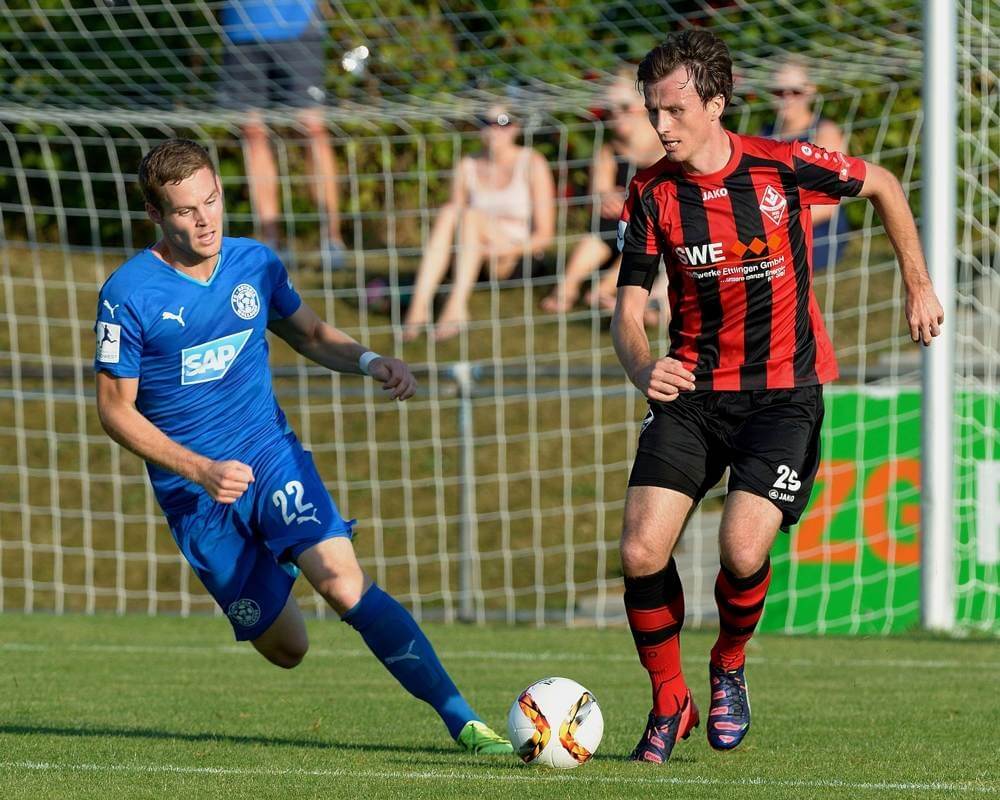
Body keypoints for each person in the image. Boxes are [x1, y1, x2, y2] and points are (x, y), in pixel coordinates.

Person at [93, 139, 512, 755]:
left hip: (269, 454)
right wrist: (200, 469)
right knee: (288, 649)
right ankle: (281, 559)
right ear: (155, 214)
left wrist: (370, 360)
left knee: (343, 584)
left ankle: (465, 722)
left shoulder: (255, 264)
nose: (205, 220)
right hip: (197, 493)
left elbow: (310, 333)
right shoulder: (128, 294)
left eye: (212, 201)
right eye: (186, 210)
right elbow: (114, 411)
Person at [612, 31, 943, 765]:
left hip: (783, 395)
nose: (660, 125)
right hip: (691, 393)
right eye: (652, 110)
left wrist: (917, 285)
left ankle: (728, 665)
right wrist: (642, 368)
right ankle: (669, 699)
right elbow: (627, 310)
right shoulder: (652, 191)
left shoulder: (782, 165)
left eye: (673, 109)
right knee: (640, 550)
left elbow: (885, 185)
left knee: (740, 549)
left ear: (716, 104)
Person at [402, 105, 556, 341]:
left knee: (471, 215)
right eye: (485, 122)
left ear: (515, 127)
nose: (493, 129)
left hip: (514, 255)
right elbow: (452, 222)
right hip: (472, 252)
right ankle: (418, 306)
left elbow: (545, 236)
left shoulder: (532, 162)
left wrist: (504, 250)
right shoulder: (467, 165)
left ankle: (455, 307)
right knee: (449, 211)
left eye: (502, 122)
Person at [220, 1, 345, 267]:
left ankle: (332, 240)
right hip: (241, 26)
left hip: (297, 24)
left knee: (313, 129)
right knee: (252, 133)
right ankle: (271, 242)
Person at [540, 72, 664, 322]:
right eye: (610, 109)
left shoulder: (666, 144)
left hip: (654, 235)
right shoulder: (608, 150)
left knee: (644, 226)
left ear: (644, 104)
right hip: (616, 231)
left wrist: (628, 201)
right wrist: (606, 197)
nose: (616, 114)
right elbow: (598, 194)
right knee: (605, 224)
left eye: (624, 107)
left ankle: (604, 290)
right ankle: (567, 287)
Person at [761, 58, 851, 271]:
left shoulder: (825, 133)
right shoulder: (764, 134)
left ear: (810, 90)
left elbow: (827, 205)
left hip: (815, 236)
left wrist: (769, 225)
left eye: (795, 92)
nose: (787, 98)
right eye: (778, 92)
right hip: (771, 230)